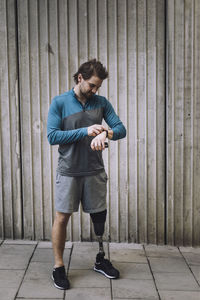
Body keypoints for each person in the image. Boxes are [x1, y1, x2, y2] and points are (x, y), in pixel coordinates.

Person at [47, 59, 126, 290]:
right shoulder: (60, 102)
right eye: (92, 85)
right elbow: (52, 136)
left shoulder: (101, 103)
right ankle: (59, 267)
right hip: (69, 171)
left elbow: (121, 129)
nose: (95, 90)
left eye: (98, 86)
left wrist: (107, 134)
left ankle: (100, 259)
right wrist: (85, 130)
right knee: (61, 218)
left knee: (99, 216)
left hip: (94, 171)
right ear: (80, 78)